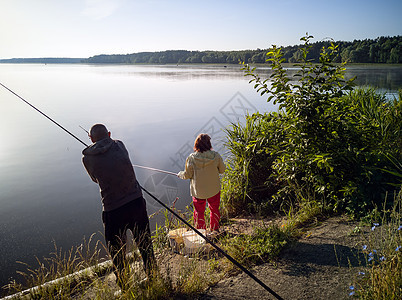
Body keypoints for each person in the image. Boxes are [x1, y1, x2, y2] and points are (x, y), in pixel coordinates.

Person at [82, 124, 155, 288]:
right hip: (136, 202)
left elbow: (95, 179)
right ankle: (153, 277)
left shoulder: (87, 158)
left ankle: (125, 287)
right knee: (145, 245)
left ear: (91, 139)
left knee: (117, 253)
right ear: (109, 133)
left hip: (113, 210)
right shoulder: (120, 145)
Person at [178, 133, 226, 233]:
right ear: (209, 144)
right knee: (214, 209)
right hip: (214, 190)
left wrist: (180, 174)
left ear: (196, 145)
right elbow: (222, 170)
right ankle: (214, 229)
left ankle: (201, 233)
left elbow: (187, 175)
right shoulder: (215, 156)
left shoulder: (191, 158)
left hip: (198, 192)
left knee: (199, 212)